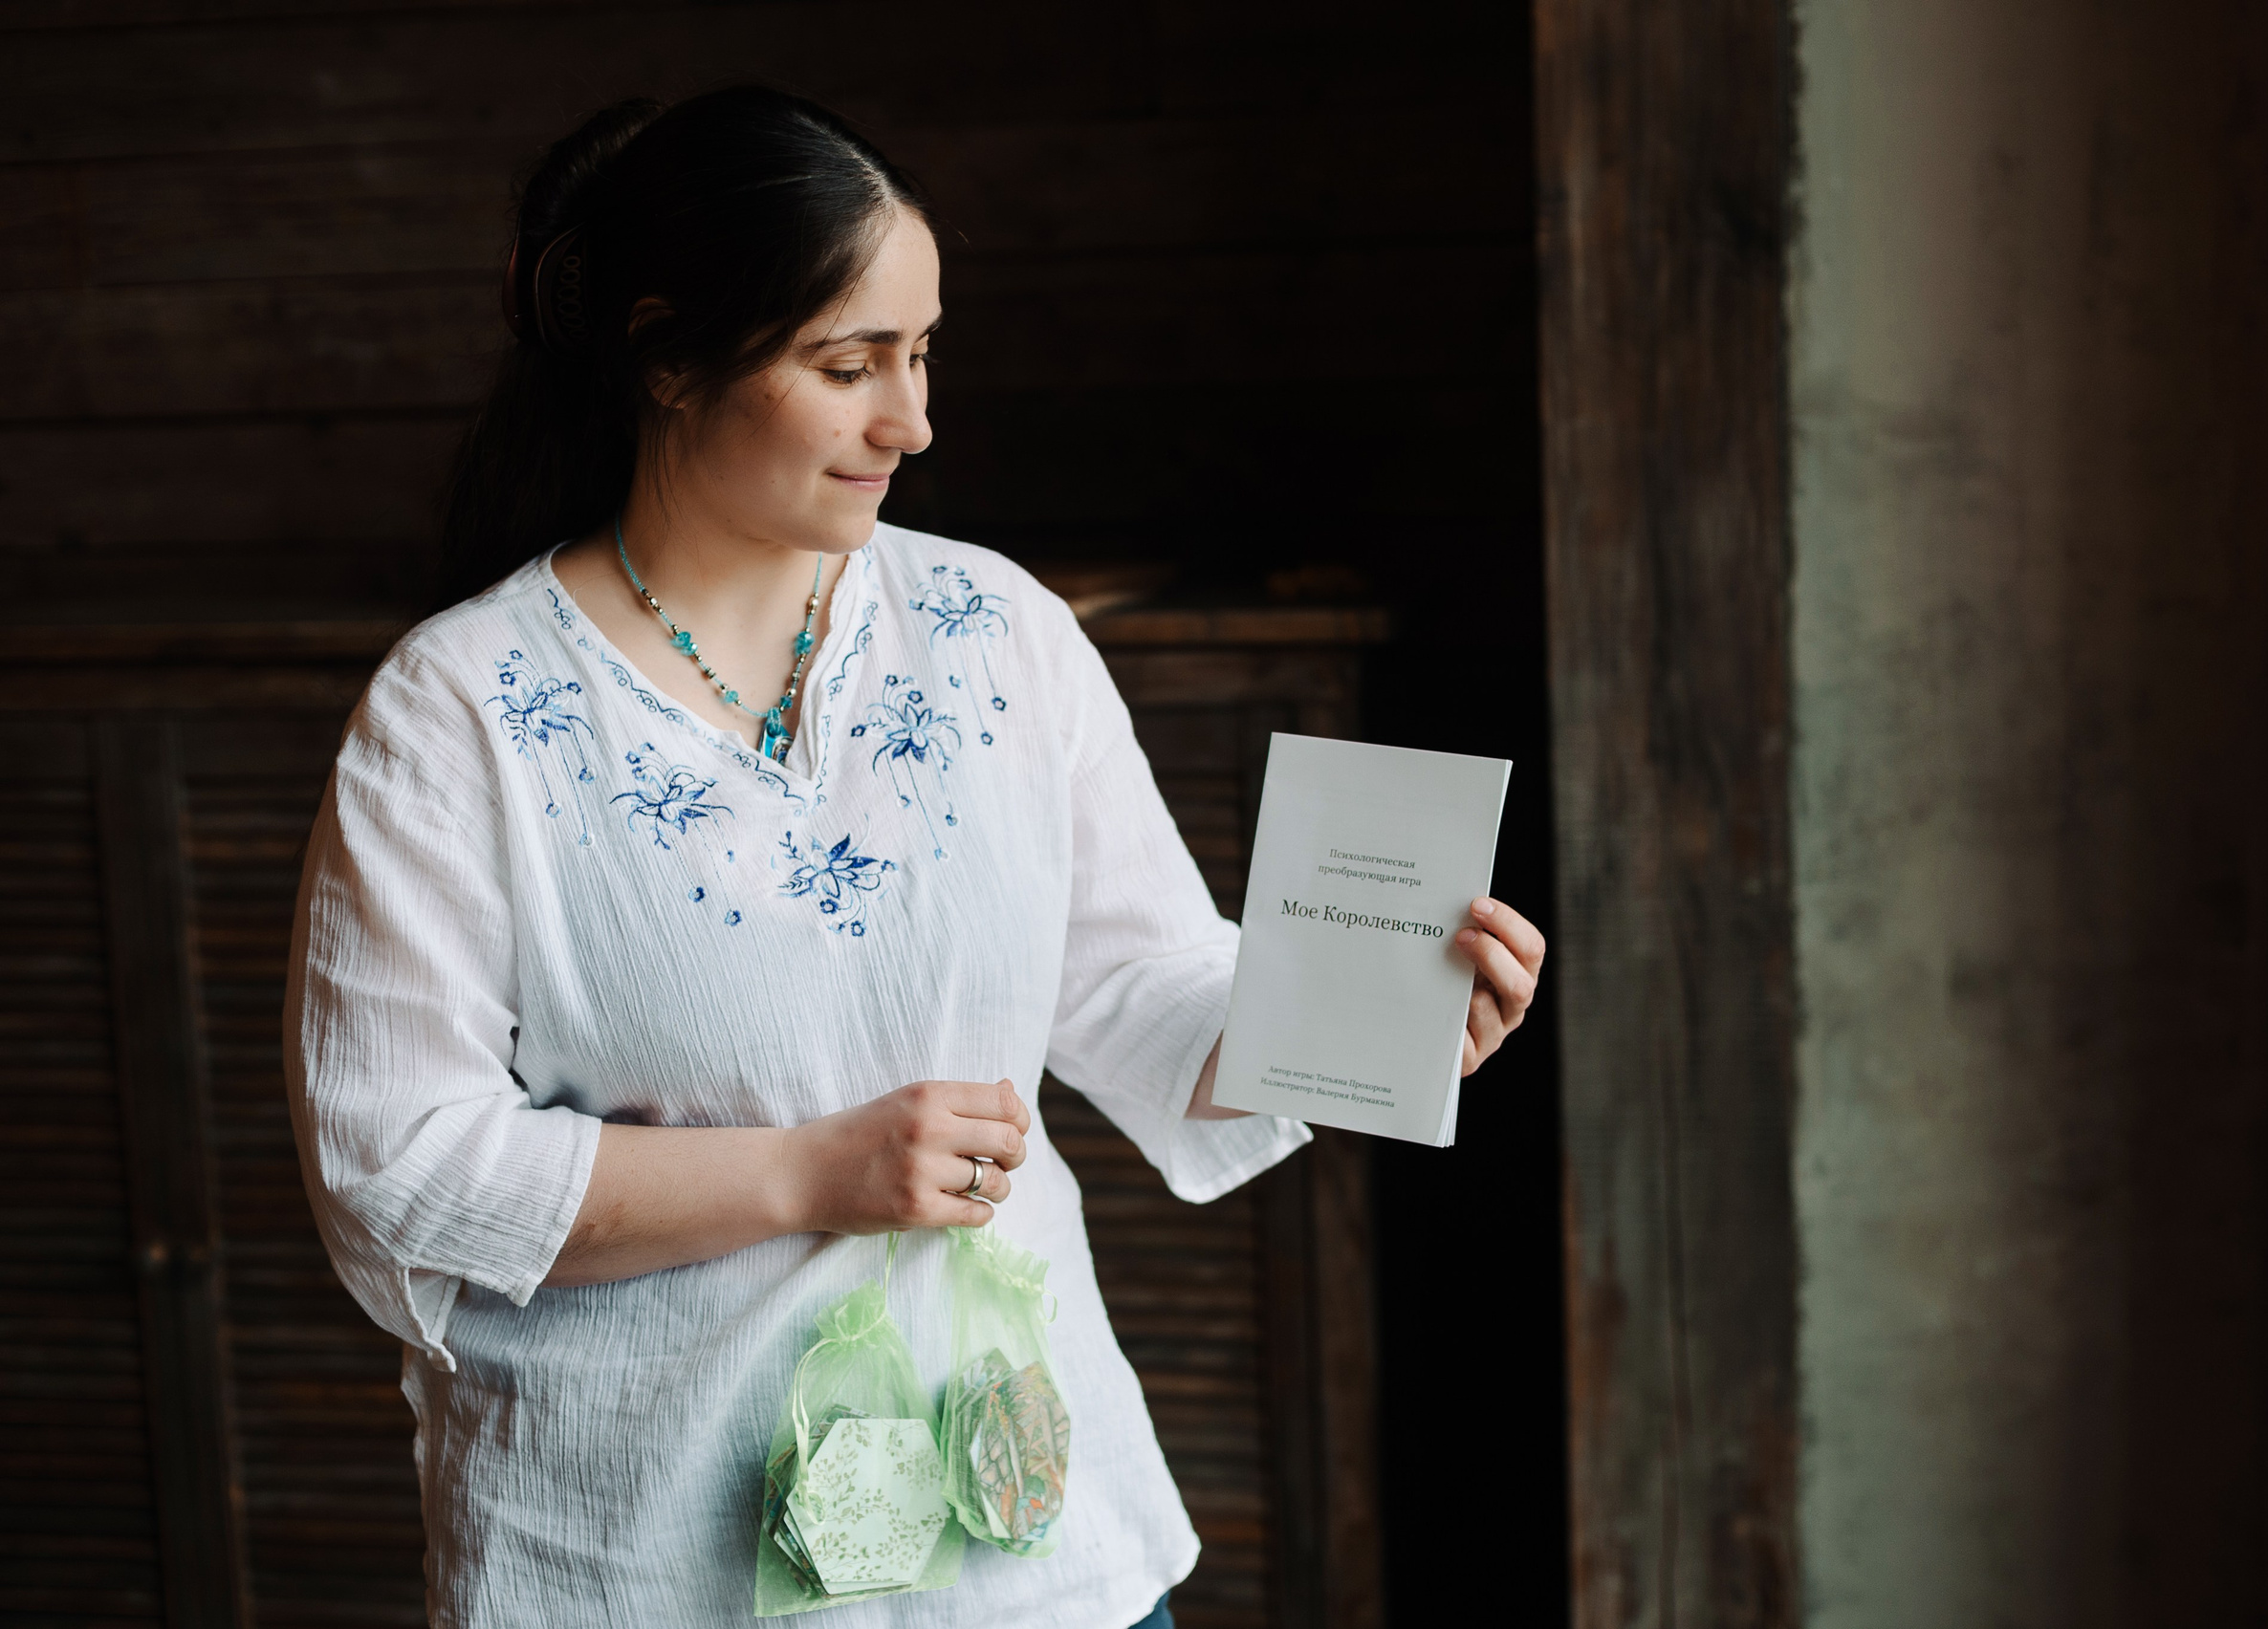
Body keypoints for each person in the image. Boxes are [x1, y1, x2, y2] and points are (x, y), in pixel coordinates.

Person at [283, 85, 1544, 1628]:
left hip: (1026, 1554)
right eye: (847, 363)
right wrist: (806, 1173)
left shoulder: (998, 630)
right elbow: (399, 1172)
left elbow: (1144, 986)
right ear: (667, 353)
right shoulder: (458, 709)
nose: (913, 419)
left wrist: (1372, 1014)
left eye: (923, 349)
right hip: (636, 1563)